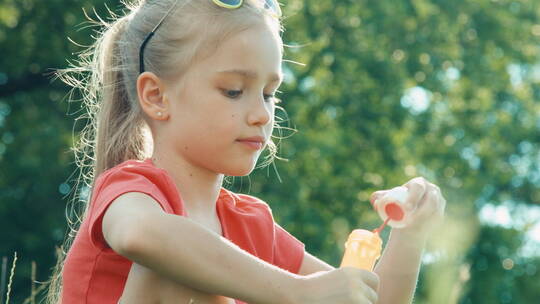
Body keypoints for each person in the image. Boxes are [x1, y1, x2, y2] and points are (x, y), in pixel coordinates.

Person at [47, 0, 447, 303]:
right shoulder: (131, 189)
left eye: (270, 94)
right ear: (156, 96)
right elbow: (141, 235)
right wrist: (296, 292)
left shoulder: (252, 225)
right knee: (179, 267)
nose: (261, 114)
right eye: (234, 91)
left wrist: (411, 235)